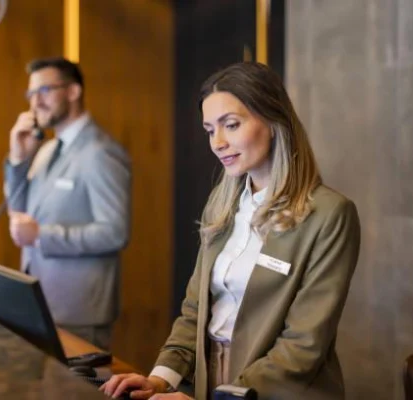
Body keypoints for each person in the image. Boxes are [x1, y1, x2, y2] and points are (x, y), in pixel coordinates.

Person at [101, 62, 360, 399]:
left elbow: (303, 345)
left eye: (231, 125)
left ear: (274, 121)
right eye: (210, 130)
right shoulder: (221, 204)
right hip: (212, 379)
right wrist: (160, 378)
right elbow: (195, 311)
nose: (218, 142)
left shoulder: (330, 214)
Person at [4, 57, 131, 350]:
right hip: (39, 304)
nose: (35, 102)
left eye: (44, 90)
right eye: (31, 93)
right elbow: (18, 212)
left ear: (73, 91)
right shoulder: (46, 149)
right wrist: (18, 158)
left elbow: (115, 232)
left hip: (78, 313)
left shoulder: (101, 152)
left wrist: (42, 235)